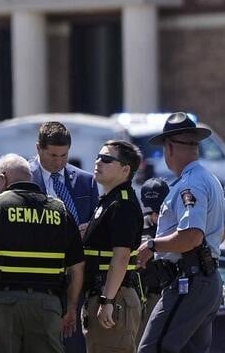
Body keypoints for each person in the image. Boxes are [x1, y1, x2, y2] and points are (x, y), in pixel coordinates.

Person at [0, 154, 85, 353]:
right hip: (47, 307)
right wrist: (71, 307)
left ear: (2, 178)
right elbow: (77, 266)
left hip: (3, 305)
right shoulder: (59, 210)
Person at [135, 113, 225, 353]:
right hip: (205, 279)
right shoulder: (210, 180)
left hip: (190, 280)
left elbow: (192, 236)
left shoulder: (190, 184)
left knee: (152, 349)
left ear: (169, 148)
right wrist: (206, 254)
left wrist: (152, 245)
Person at [28, 121, 98, 353]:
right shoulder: (23, 179)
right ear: (39, 149)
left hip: (76, 278)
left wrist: (87, 230)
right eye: (52, 156)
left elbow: (97, 227)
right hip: (36, 280)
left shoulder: (86, 182)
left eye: (64, 155)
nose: (58, 162)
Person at [81, 141, 144, 353]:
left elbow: (122, 256)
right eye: (98, 157)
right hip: (103, 294)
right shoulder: (109, 201)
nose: (98, 162)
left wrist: (107, 300)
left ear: (125, 169)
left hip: (114, 297)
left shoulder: (122, 204)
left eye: (107, 159)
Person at [136, 177, 170, 346]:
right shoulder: (137, 225)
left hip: (169, 296)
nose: (155, 214)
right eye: (151, 210)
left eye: (159, 209)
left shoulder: (176, 227)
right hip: (143, 298)